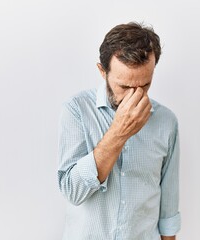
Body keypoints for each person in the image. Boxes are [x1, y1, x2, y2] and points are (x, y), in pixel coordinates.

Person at [57, 22, 181, 240]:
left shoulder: (166, 121)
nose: (134, 96)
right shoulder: (76, 111)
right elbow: (72, 191)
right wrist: (119, 132)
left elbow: (168, 209)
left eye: (144, 85)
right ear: (102, 71)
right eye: (124, 87)